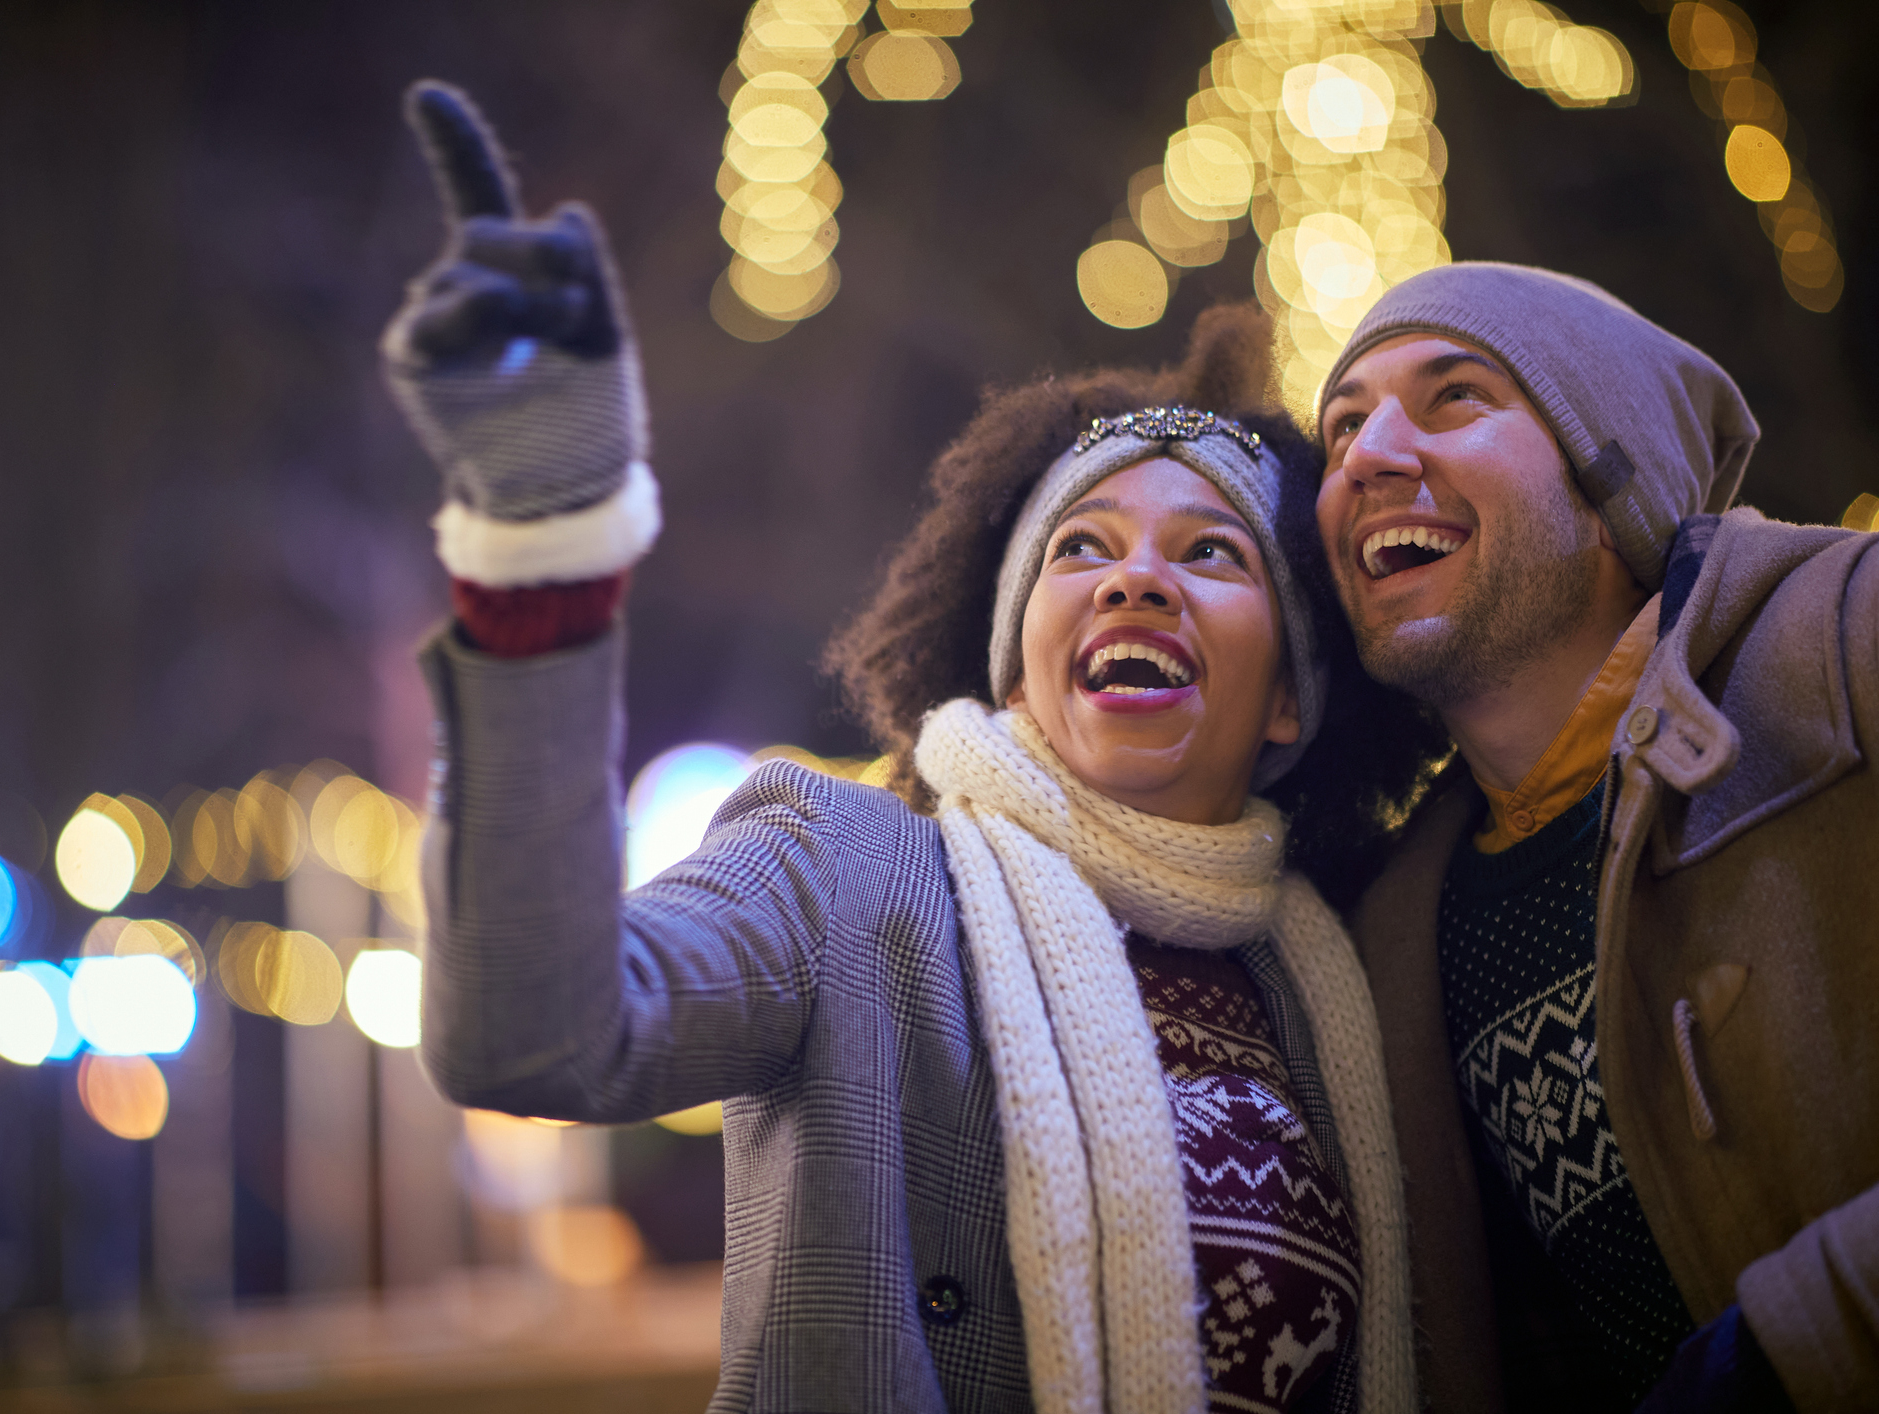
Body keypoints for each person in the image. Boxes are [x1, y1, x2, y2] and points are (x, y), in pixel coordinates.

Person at [384, 80, 1443, 1413]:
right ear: (1013, 665)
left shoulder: (1339, 967)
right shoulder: (843, 875)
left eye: (1209, 551)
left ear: (1289, 697)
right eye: (1081, 550)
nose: (1135, 582)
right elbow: (530, 1033)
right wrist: (541, 552)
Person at [1314, 262, 1879, 1413]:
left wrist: (1797, 1345)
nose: (1367, 454)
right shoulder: (1387, 942)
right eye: (1342, 427)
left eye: (1455, 395)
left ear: (1611, 471)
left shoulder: (1856, 638)